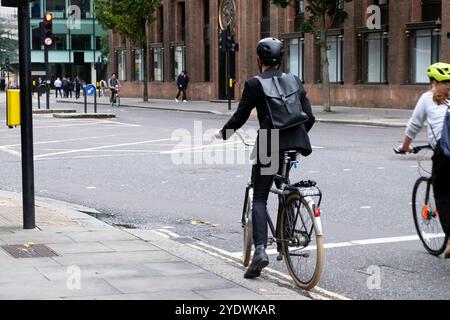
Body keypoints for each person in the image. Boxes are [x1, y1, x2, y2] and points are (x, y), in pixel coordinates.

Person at [214, 38, 316, 279]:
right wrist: (296, 137)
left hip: (269, 143)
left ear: (259, 60)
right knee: (284, 183)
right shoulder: (294, 80)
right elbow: (309, 117)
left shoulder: (254, 84)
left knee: (259, 197)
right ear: (281, 61)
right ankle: (288, 225)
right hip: (295, 141)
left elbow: (240, 117)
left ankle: (260, 251)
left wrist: (223, 134)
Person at [398, 62, 450, 258]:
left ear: (434, 82)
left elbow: (414, 125)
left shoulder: (429, 98)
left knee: (443, 196)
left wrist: (404, 147)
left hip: (445, 156)